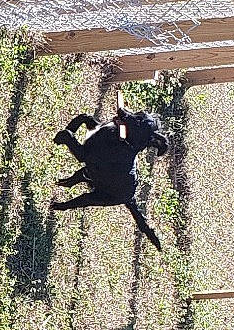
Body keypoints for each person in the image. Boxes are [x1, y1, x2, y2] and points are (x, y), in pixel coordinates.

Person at [50, 106, 168, 251]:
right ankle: (69, 179)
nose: (126, 114)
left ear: (138, 138)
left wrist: (67, 137)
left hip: (114, 193)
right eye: (136, 115)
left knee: (87, 197)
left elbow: (83, 156)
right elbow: (95, 137)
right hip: (106, 172)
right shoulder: (117, 135)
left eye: (135, 120)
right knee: (85, 119)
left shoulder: (121, 152)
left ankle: (58, 206)